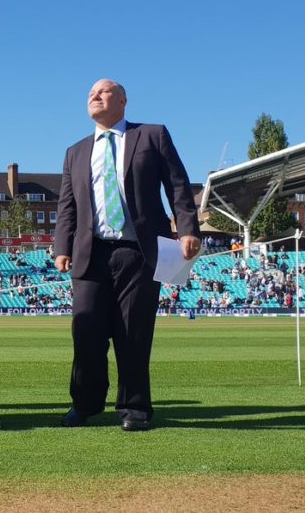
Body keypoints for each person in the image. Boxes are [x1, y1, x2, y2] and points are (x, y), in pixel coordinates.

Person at [53, 78, 200, 432]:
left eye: (103, 91)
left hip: (139, 252)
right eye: (90, 93)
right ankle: (84, 404)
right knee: (86, 332)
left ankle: (135, 409)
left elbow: (177, 184)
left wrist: (189, 227)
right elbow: (67, 205)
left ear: (122, 100)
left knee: (133, 334)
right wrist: (62, 246)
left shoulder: (152, 135)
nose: (94, 95)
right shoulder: (75, 151)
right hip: (90, 255)